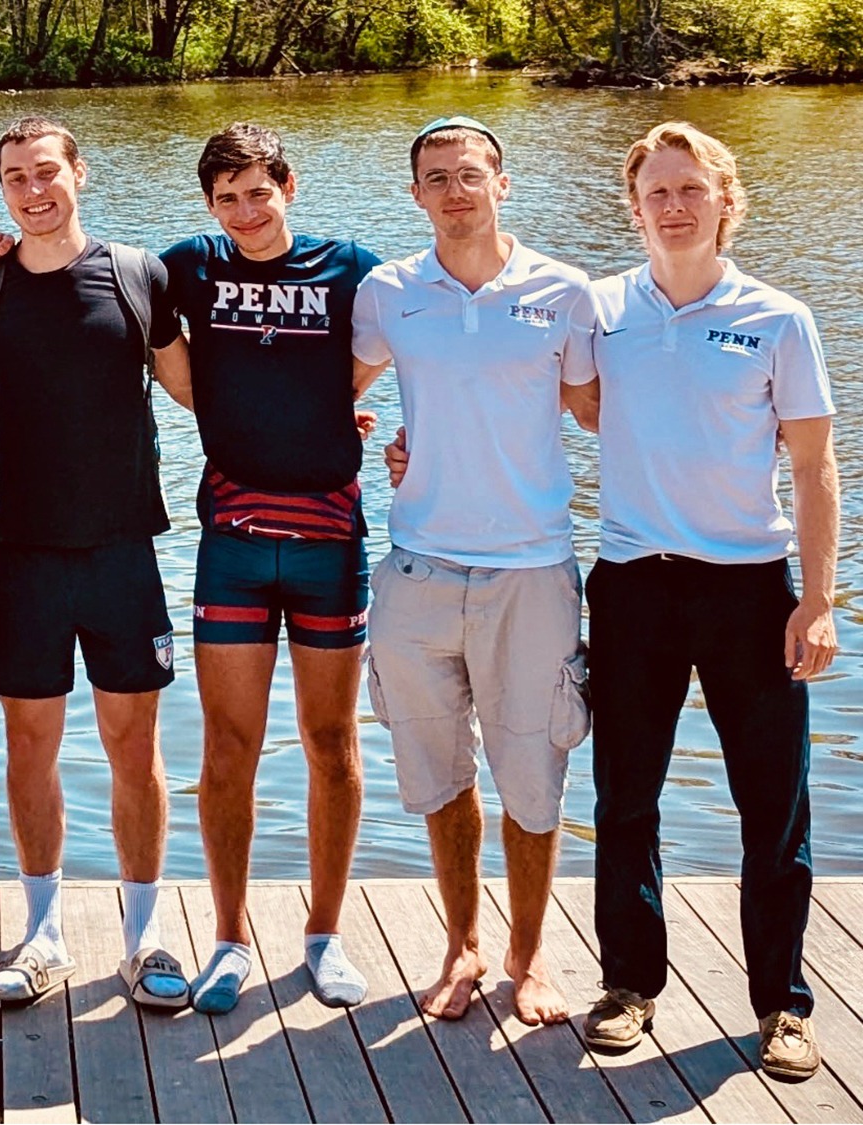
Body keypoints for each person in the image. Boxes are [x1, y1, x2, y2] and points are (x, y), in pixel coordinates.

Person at [576, 122, 837, 1078]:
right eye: (658, 192)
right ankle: (630, 983)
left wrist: (817, 600)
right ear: (634, 206)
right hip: (634, 584)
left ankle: (783, 1005)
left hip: (747, 589)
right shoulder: (598, 309)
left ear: (727, 201)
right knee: (624, 797)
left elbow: (814, 469)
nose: (675, 206)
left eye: (694, 189)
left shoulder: (778, 318)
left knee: (773, 807)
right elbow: (528, 399)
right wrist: (404, 444)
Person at [0, 116, 196, 1010]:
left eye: (45, 171)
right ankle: (43, 931)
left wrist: (330, 420)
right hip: (26, 555)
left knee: (136, 749)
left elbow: (197, 390)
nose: (31, 189)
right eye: (14, 176)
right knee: (29, 749)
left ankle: (145, 935)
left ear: (78, 173)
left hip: (124, 551)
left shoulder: (138, 277)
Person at [351, 117, 595, 1027]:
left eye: (471, 174)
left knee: (533, 771)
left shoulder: (564, 293)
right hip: (417, 568)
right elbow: (334, 392)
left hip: (531, 570)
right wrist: (373, 442)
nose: (456, 191)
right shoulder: (387, 293)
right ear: (415, 194)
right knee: (439, 766)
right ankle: (461, 944)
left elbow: (606, 409)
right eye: (437, 178)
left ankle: (529, 958)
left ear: (503, 182)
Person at [155, 122, 381, 1013]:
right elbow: (96, 280)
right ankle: (229, 936)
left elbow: (400, 349)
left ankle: (324, 933)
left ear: (288, 183)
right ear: (208, 204)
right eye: (227, 197)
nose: (246, 211)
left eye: (259, 191)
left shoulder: (350, 265)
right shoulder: (189, 265)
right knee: (228, 748)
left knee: (333, 743)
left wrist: (337, 416)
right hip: (234, 544)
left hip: (330, 541)